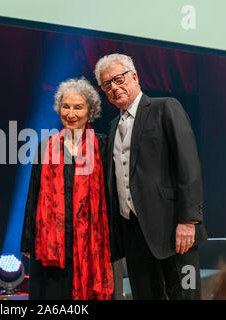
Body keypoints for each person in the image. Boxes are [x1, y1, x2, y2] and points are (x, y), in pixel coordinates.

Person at [94, 53, 208, 300]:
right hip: (134, 235)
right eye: (107, 85)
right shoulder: (113, 126)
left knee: (185, 296)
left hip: (175, 233)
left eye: (118, 79)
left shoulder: (165, 108)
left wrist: (189, 221)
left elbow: (188, 165)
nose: (114, 87)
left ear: (134, 76)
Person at [20, 78, 114, 300]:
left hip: (91, 245)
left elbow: (111, 196)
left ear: (90, 112)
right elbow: (33, 195)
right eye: (66, 106)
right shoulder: (46, 145)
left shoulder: (103, 145)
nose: (70, 113)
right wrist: (28, 240)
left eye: (78, 107)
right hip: (52, 245)